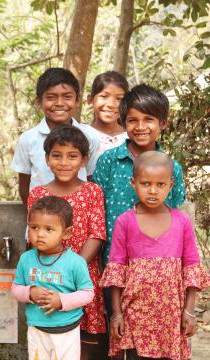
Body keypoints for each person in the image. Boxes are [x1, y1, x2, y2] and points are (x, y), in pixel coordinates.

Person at [100, 151, 210, 360]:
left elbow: (192, 268)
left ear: (171, 184)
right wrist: (117, 314)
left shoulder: (182, 222)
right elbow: (116, 271)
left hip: (172, 317)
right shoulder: (125, 221)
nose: (153, 191)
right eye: (145, 184)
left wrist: (189, 311)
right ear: (133, 183)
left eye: (160, 185)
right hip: (135, 316)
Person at [27, 125, 107, 359]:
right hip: (48, 276)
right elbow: (34, 235)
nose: (64, 162)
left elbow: (97, 234)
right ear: (47, 158)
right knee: (51, 342)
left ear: (84, 160)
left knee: (85, 344)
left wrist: (73, 267)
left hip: (83, 274)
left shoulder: (92, 192)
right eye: (57, 155)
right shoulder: (38, 194)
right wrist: (53, 271)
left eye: (72, 156)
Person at [92, 84, 186, 267]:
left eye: (149, 119)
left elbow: (175, 212)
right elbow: (95, 213)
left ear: (163, 123)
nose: (140, 126)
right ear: (123, 123)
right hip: (114, 263)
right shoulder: (109, 161)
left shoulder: (172, 168)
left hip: (159, 263)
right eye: (133, 120)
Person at [12, 196, 95, 360]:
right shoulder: (26, 259)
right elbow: (15, 289)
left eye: (48, 229)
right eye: (34, 227)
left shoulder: (75, 262)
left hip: (66, 331)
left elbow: (88, 293)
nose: (40, 234)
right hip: (37, 329)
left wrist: (61, 301)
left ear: (66, 233)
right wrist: (30, 293)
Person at [11, 67, 102, 208]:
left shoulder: (91, 137)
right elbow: (24, 187)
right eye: (51, 97)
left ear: (77, 100)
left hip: (80, 222)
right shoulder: (28, 139)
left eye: (67, 97)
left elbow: (91, 178)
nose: (59, 103)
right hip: (41, 223)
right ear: (38, 102)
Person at [88, 71, 129, 152]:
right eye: (104, 96)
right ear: (90, 100)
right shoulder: (81, 134)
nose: (111, 104)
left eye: (119, 99)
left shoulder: (131, 137)